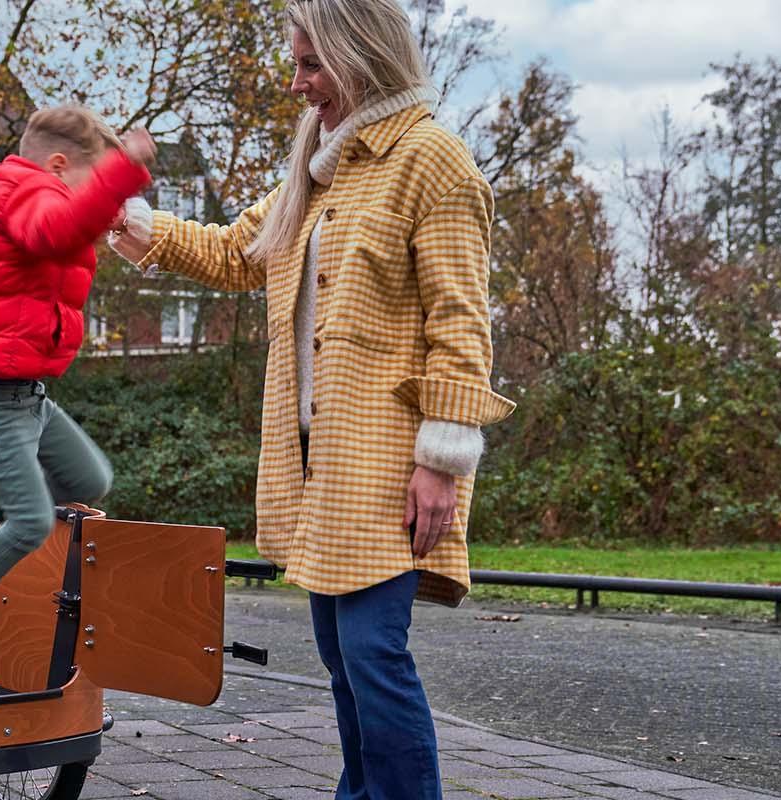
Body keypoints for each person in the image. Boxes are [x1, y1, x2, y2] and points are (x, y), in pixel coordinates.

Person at [107, 1, 515, 797]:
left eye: (309, 64)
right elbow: (234, 252)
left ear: (361, 53)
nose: (297, 85)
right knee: (342, 655)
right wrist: (126, 213)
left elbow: (463, 325)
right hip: (317, 461)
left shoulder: (434, 162)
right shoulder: (321, 163)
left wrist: (442, 460)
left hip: (388, 461)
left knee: (372, 653)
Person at [0, 105, 157, 693]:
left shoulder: (41, 195)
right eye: (86, 179)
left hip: (28, 398)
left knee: (90, 480)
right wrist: (121, 173)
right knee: (29, 522)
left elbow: (65, 235)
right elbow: (53, 229)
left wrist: (110, 206)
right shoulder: (14, 192)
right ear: (55, 165)